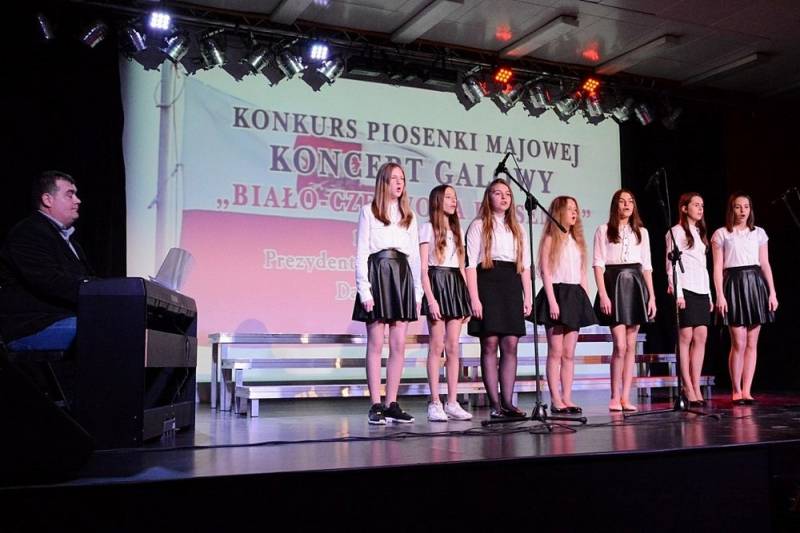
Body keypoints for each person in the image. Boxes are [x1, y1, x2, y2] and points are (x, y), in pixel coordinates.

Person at [353, 162, 422, 425]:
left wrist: (417, 293)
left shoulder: (409, 216)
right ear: (383, 182)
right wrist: (364, 289)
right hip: (378, 274)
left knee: (398, 344)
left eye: (402, 178)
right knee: (375, 344)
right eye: (394, 178)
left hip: (401, 276)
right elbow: (361, 252)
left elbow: (415, 258)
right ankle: (376, 404)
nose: (399, 182)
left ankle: (392, 403)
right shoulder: (369, 211)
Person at [0, 171, 93, 351]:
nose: (78, 200)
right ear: (47, 200)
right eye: (70, 194)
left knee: (125, 323)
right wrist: (101, 290)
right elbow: (50, 282)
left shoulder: (73, 244)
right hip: (34, 326)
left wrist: (112, 290)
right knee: (108, 327)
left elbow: (84, 280)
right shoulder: (28, 232)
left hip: (66, 319)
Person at [465, 178, 532, 419]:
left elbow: (525, 266)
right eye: (498, 193)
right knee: (490, 343)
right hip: (488, 282)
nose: (504, 197)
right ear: (488, 197)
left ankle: (508, 402)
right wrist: (474, 299)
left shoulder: (518, 228)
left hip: (511, 284)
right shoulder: (478, 225)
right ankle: (495, 404)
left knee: (511, 344)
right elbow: (470, 266)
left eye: (507, 194)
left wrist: (527, 296)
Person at [711, 193, 778, 405]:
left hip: (755, 284)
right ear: (731, 209)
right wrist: (720, 294)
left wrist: (772, 292)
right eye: (738, 207)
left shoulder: (759, 233)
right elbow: (717, 267)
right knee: (738, 342)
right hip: (733, 283)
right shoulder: (722, 234)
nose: (742, 211)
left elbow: (765, 264)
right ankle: (736, 389)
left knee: (751, 342)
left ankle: (747, 390)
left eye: (746, 207)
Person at [593, 189, 656, 412]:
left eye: (630, 201)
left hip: (636, 284)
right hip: (614, 283)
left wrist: (652, 297)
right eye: (622, 201)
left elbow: (647, 266)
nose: (627, 205)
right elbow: (598, 264)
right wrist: (603, 294)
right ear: (615, 205)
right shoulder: (603, 230)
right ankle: (614, 395)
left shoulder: (642, 232)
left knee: (631, 345)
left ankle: (625, 397)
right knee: (619, 345)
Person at [534, 196, 596, 415]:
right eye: (569, 209)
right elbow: (546, 272)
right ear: (559, 212)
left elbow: (582, 272)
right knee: (556, 351)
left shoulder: (577, 241)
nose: (574, 213)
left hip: (574, 295)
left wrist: (584, 299)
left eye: (575, 209)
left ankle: (567, 397)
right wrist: (552, 301)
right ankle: (555, 399)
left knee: (569, 352)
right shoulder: (551, 238)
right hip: (557, 294)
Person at [419, 185, 473, 421]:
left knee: (453, 347)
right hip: (437, 283)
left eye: (455, 197)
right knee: (436, 346)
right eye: (448, 197)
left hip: (455, 286)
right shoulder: (427, 229)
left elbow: (461, 268)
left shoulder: (456, 231)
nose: (453, 201)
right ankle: (434, 402)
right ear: (437, 200)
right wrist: (431, 299)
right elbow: (423, 269)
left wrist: (467, 298)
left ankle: (452, 401)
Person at [665, 193, 713, 407]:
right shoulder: (675, 231)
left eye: (702, 205)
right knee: (686, 336)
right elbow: (671, 266)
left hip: (701, 289)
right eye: (696, 205)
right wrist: (678, 293)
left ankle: (696, 383)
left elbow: (703, 267)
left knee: (701, 335)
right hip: (685, 288)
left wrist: (709, 294)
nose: (700, 208)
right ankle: (687, 386)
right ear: (684, 208)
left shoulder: (700, 232)